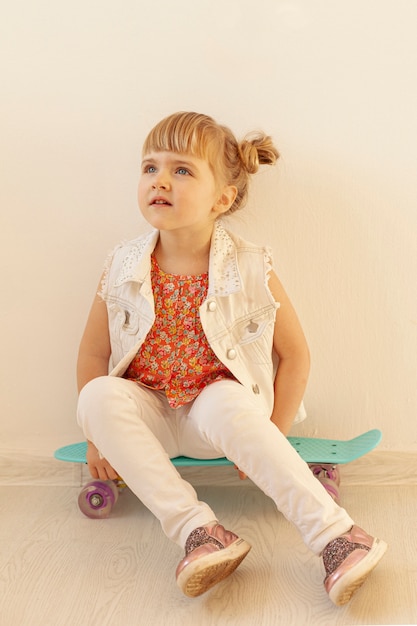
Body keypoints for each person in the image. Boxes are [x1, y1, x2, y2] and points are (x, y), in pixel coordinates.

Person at [76, 111, 387, 606]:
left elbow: (295, 353)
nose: (160, 180)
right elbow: (94, 354)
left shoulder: (247, 264)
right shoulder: (121, 264)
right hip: (148, 415)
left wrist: (274, 430)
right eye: (149, 167)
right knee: (97, 395)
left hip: (215, 420)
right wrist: (97, 438)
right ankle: (201, 534)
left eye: (181, 170)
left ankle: (338, 538)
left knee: (223, 399)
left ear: (223, 198)